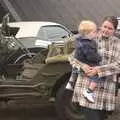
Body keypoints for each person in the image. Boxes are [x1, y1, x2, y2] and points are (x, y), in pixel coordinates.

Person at [70, 16, 120, 120]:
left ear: (115, 30)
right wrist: (82, 66)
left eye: (110, 28)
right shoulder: (91, 37)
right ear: (101, 26)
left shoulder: (118, 43)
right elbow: (72, 58)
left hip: (106, 90)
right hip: (86, 86)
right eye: (104, 26)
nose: (106, 30)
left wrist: (98, 70)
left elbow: (118, 64)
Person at [66, 20, 104, 103]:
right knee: (97, 76)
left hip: (79, 59)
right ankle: (88, 92)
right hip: (87, 61)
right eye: (94, 32)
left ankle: (70, 82)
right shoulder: (89, 44)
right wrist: (98, 58)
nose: (95, 34)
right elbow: (91, 56)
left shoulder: (78, 39)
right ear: (87, 33)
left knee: (75, 68)